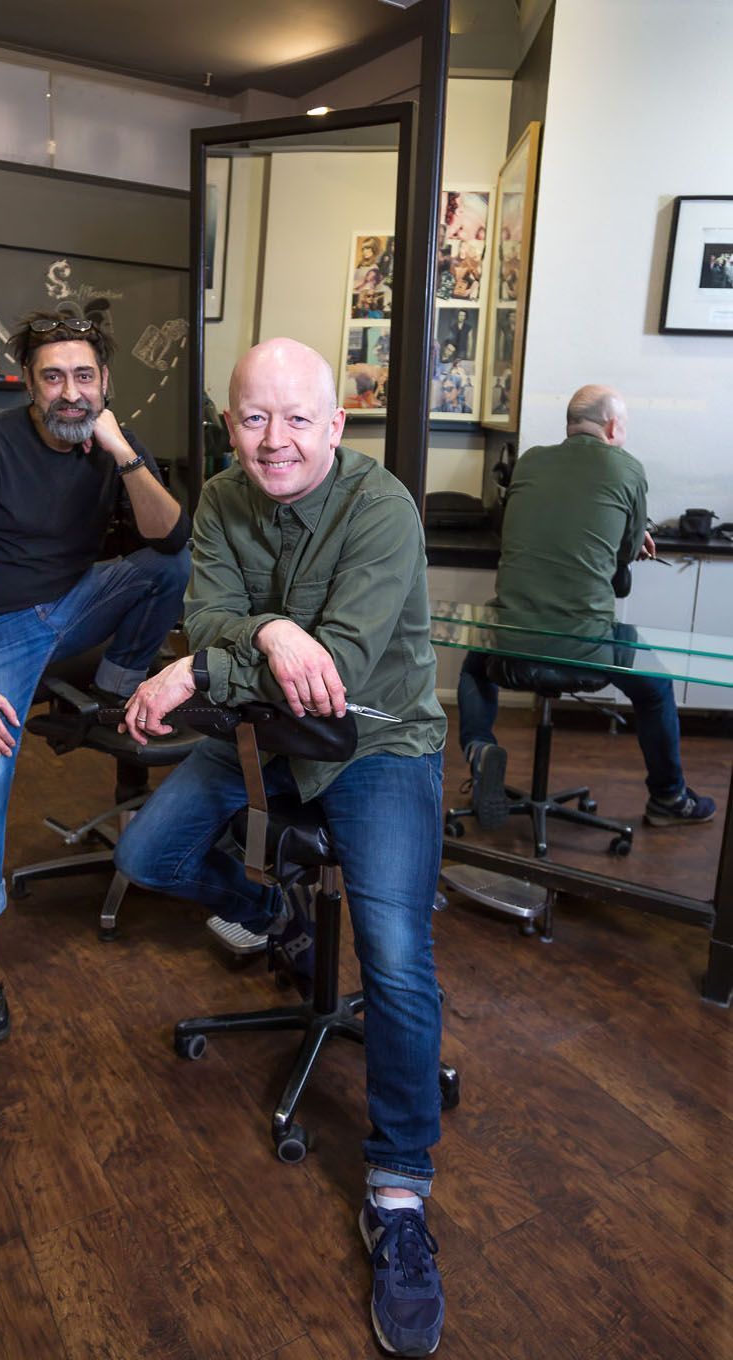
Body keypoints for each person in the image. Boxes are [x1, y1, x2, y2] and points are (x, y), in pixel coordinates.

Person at [114, 337, 449, 1358]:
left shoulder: (381, 507)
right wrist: (262, 633)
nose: (276, 440)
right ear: (230, 425)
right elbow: (211, 616)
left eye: (299, 418)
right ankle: (275, 917)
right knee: (148, 857)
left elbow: (333, 677)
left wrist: (203, 668)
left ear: (335, 425)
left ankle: (397, 1193)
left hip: (376, 743)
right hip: (259, 733)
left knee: (393, 959)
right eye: (255, 418)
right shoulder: (220, 497)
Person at [0, 310, 191, 1045]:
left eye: (83, 376)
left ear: (104, 383)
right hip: (0, 630)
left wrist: (123, 453)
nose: (69, 392)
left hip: (75, 612)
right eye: (52, 377)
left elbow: (171, 538)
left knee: (169, 564)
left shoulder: (109, 439)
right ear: (28, 383)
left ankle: (108, 693)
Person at [457, 384, 715, 830]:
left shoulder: (531, 461)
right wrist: (629, 540)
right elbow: (628, 550)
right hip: (584, 649)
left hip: (511, 648)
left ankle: (480, 747)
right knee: (656, 689)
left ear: (570, 425)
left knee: (474, 666)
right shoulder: (627, 468)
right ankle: (669, 798)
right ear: (613, 426)